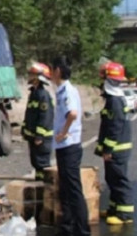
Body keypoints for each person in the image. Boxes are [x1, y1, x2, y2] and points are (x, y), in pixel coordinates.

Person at [50, 56, 90, 236]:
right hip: (63, 147)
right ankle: (67, 227)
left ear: (58, 71)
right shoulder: (61, 90)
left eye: (52, 69)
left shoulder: (67, 90)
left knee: (73, 191)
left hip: (69, 146)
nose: (50, 73)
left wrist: (64, 131)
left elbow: (72, 113)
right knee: (65, 189)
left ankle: (82, 230)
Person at [95, 61, 134, 225]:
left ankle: (125, 214)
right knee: (111, 179)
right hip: (116, 149)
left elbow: (114, 128)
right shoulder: (114, 99)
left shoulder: (115, 102)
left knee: (119, 180)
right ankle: (114, 208)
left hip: (117, 149)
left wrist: (108, 148)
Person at [22, 61, 54, 181]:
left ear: (38, 78)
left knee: (42, 164)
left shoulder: (43, 95)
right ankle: (40, 185)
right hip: (34, 137)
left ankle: (46, 188)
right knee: (36, 163)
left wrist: (39, 135)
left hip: (42, 139)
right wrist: (25, 129)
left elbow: (45, 117)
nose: (30, 76)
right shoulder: (34, 94)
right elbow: (29, 114)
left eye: (32, 74)